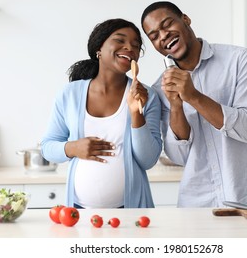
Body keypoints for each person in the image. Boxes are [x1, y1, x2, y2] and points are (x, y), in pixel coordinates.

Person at [141, 1, 247, 208]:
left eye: (167, 25)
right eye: (154, 36)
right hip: (197, 202)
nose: (163, 35)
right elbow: (179, 157)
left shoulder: (240, 60)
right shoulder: (161, 88)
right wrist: (176, 106)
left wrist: (193, 96)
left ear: (185, 19)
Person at [41, 18, 162, 208]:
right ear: (99, 49)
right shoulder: (70, 94)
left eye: (136, 45)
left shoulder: (149, 97)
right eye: (120, 40)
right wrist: (73, 148)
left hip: (131, 211)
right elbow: (47, 148)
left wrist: (136, 112)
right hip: (78, 212)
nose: (129, 47)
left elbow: (147, 160)